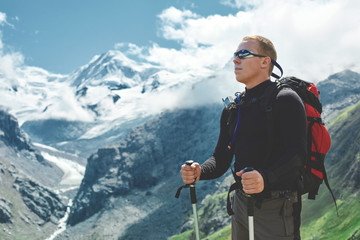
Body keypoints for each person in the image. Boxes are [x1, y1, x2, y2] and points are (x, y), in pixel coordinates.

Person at [180, 35, 307, 239]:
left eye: (243, 54)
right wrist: (199, 171)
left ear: (266, 62)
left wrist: (265, 178)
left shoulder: (285, 99)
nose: (235, 60)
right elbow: (221, 158)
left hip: (276, 206)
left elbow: (298, 155)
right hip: (241, 203)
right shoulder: (234, 108)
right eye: (235, 55)